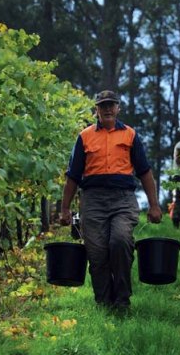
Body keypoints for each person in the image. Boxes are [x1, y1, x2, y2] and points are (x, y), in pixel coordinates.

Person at [60, 90, 162, 312]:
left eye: (111, 105)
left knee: (120, 241)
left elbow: (145, 172)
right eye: (102, 105)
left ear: (118, 108)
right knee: (97, 254)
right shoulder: (85, 136)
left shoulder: (130, 135)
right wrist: (65, 209)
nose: (107, 109)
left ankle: (122, 300)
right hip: (93, 200)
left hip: (122, 200)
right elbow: (73, 176)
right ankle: (104, 303)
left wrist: (154, 205)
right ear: (96, 110)